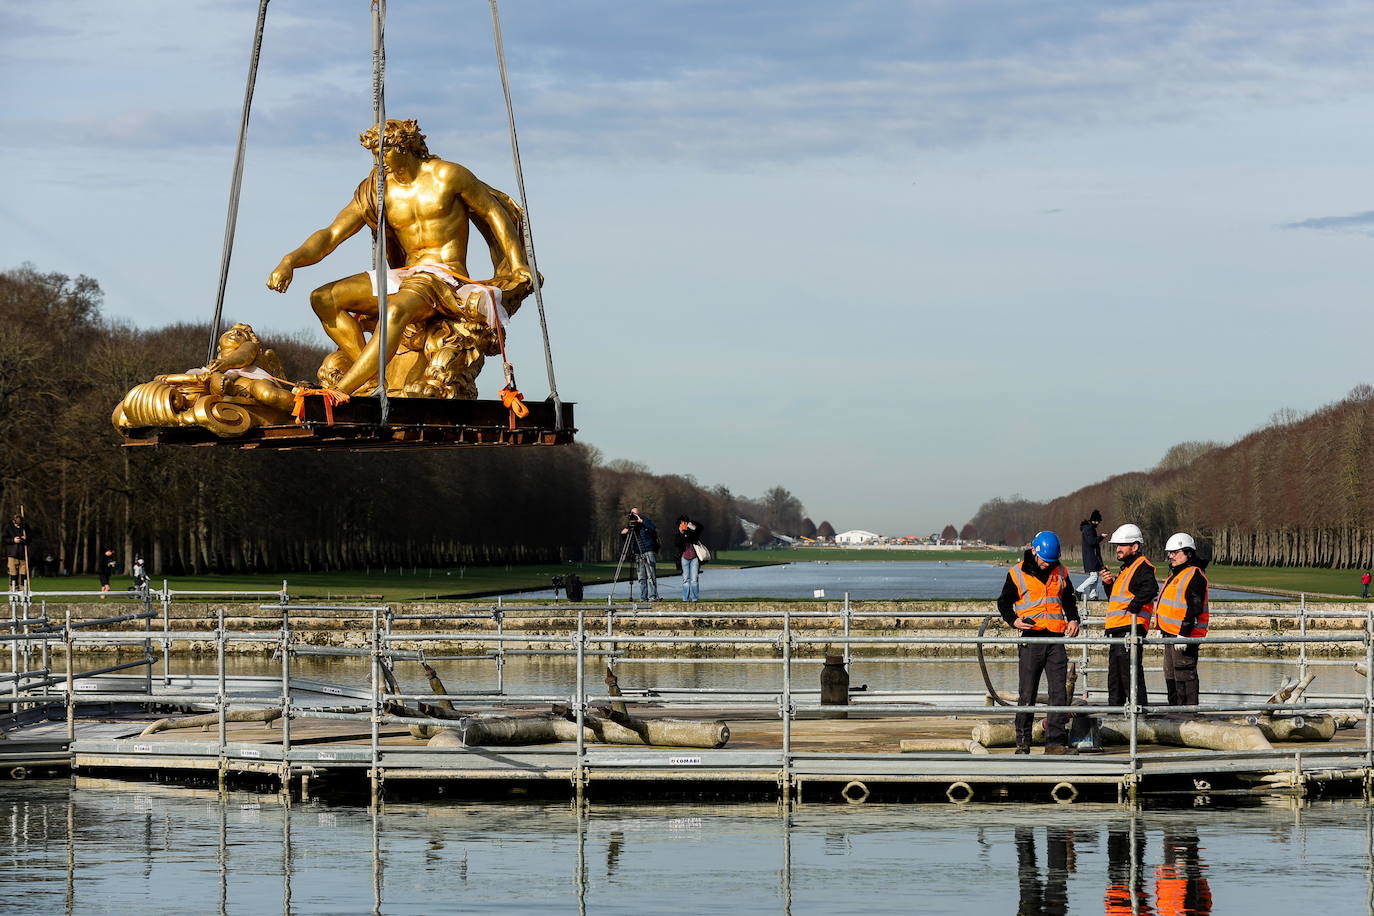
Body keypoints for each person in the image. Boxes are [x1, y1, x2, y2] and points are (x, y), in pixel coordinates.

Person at [267, 119, 534, 397]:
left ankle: (340, 391)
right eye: (375, 153)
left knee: (393, 310)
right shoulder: (378, 189)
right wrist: (290, 261)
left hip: (443, 276)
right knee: (323, 298)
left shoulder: (447, 175)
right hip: (406, 274)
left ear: (405, 146)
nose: (379, 160)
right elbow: (332, 233)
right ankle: (370, 376)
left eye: (385, 151)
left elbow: (493, 213)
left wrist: (516, 264)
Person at [997, 530, 1081, 754]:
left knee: (1058, 693)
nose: (1047, 564)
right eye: (1044, 560)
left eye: (1051, 561)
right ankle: (1023, 742)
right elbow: (1004, 602)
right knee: (1027, 693)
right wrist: (1013, 620)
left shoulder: (1061, 571)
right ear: (1034, 551)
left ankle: (1055, 743)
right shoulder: (1017, 574)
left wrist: (1073, 619)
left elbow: (1068, 600)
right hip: (1031, 639)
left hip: (1055, 639)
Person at [1099, 524, 1157, 709]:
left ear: (1135, 547)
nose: (1118, 549)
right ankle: (1114, 715)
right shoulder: (1127, 569)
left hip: (1129, 630)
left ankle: (1137, 717)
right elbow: (1117, 599)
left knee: (1130, 675)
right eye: (1117, 545)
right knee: (1115, 678)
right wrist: (1108, 583)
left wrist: (1133, 608)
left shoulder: (1142, 566)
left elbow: (1150, 589)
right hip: (1119, 630)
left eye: (1122, 545)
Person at [1158, 533, 1209, 707]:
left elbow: (1194, 608)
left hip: (1184, 636)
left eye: (1175, 552)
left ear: (1188, 553)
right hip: (1171, 634)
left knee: (1184, 673)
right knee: (1171, 674)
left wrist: (1183, 634)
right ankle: (1175, 712)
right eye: (1170, 553)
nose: (1171, 556)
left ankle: (1187, 714)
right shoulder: (1178, 574)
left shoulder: (1194, 575)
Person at [619, 508, 659, 601]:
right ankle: (643, 597)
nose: (634, 516)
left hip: (648, 550)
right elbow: (623, 536)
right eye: (632, 514)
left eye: (635, 514)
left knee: (651, 575)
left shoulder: (645, 521)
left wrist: (641, 521)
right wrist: (626, 529)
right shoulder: (632, 526)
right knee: (641, 577)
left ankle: (653, 596)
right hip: (638, 553)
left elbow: (653, 528)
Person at [1077, 509, 1106, 601]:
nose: (1098, 524)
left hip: (1092, 556)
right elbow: (1091, 541)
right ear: (1094, 520)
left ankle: (1092, 595)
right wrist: (1101, 537)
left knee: (1095, 576)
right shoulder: (1088, 529)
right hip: (1091, 556)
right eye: (1098, 521)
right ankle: (1078, 590)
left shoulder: (1089, 528)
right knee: (1094, 577)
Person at [675, 516, 705, 602]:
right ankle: (685, 598)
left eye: (684, 523)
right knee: (685, 579)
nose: (683, 525)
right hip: (684, 558)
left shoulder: (693, 533)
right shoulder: (678, 535)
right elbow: (677, 545)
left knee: (694, 579)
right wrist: (681, 533)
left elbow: (700, 528)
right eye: (682, 524)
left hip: (694, 557)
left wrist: (691, 525)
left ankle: (695, 598)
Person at [5, 514, 30, 592]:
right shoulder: (8, 528)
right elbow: (4, 539)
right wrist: (13, 540)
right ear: (13, 521)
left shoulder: (25, 527)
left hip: (23, 554)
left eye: (19, 523)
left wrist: (26, 538)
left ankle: (24, 591)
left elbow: (30, 539)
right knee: (13, 574)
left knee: (24, 574)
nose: (18, 525)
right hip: (12, 554)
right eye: (16, 523)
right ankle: (13, 592)